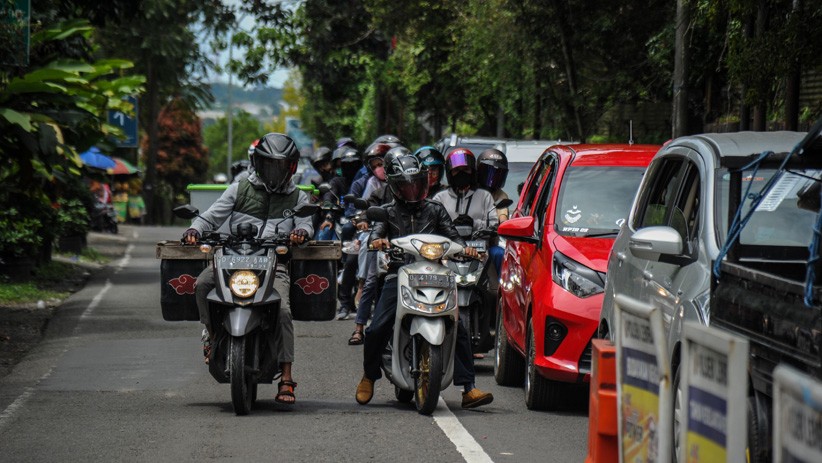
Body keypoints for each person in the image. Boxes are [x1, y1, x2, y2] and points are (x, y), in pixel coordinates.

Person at [354, 151, 494, 409]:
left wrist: (466, 249)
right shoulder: (387, 212)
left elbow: (454, 238)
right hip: (399, 274)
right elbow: (376, 233)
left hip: (434, 273)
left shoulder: (435, 210)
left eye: (416, 183)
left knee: (457, 326)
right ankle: (369, 376)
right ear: (395, 187)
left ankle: (468, 388)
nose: (411, 189)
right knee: (376, 328)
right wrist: (378, 241)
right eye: (406, 185)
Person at [182, 133, 312, 405]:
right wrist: (195, 229)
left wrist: (300, 231)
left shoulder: (298, 197)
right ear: (259, 164)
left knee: (284, 311)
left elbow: (307, 224)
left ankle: (286, 377)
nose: (275, 172)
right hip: (232, 260)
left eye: (282, 166)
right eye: (270, 165)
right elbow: (211, 216)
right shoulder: (239, 188)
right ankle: (212, 335)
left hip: (273, 266)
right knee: (203, 284)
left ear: (291, 167)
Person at [347, 145, 405, 343]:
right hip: (384, 245)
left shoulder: (422, 197)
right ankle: (359, 327)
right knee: (371, 281)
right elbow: (370, 212)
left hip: (412, 248)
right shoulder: (381, 193)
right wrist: (364, 220)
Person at [476, 148, 510, 273]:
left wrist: (504, 225)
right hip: (460, 243)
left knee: (499, 254)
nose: (491, 179)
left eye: (497, 175)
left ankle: (500, 292)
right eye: (488, 173)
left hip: (486, 245)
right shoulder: (468, 190)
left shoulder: (500, 195)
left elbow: (503, 215)